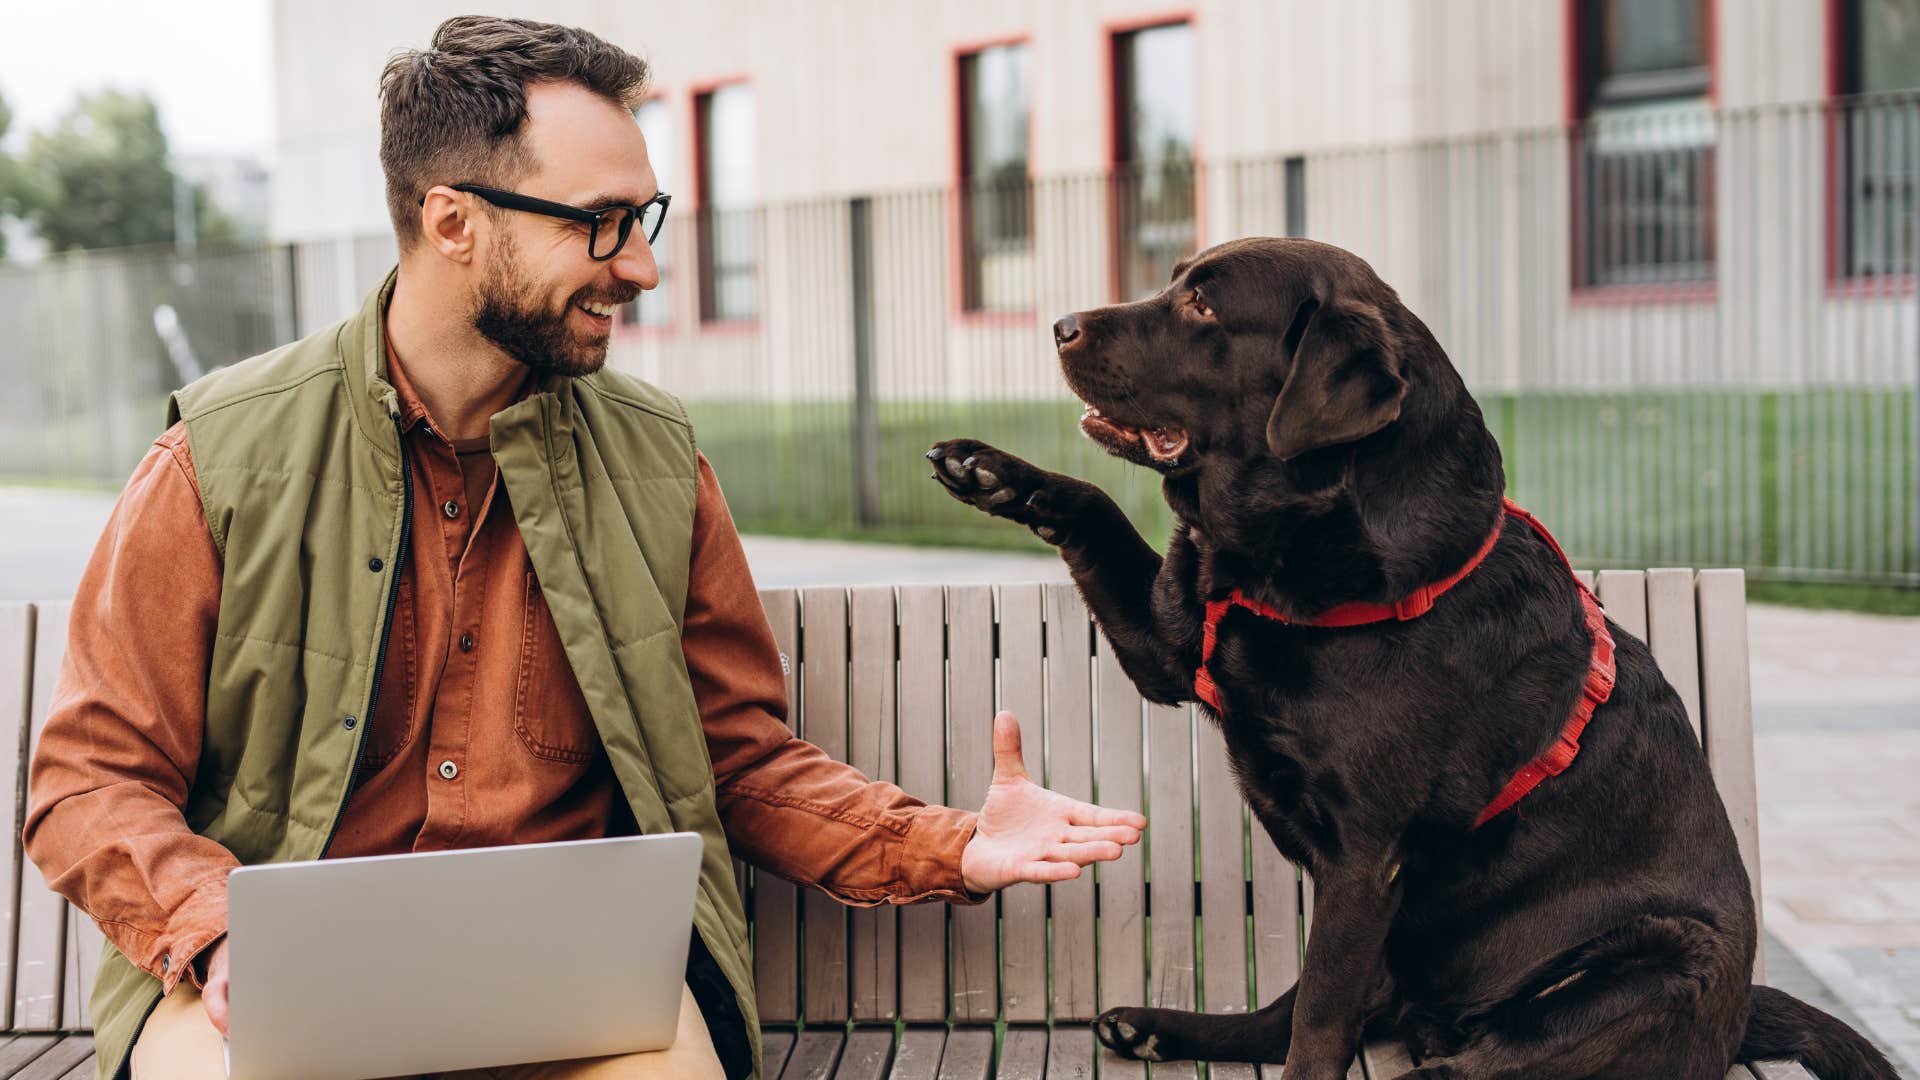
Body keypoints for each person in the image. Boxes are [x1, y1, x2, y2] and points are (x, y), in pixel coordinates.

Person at [23, 16, 1146, 1080]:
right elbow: (88, 778)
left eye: (642, 221)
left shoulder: (656, 462)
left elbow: (734, 761)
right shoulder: (220, 457)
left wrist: (953, 848)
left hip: (578, 996)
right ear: (454, 220)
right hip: (264, 991)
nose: (641, 268)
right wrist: (219, 936)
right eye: (599, 222)